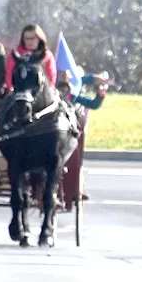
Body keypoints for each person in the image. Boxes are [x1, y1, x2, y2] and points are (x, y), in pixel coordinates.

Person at [57, 69, 111, 211]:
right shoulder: (49, 87)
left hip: (65, 132)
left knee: (74, 151)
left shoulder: (74, 95)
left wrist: (100, 92)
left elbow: (92, 103)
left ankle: (72, 190)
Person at [5, 24, 57, 92]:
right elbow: (9, 73)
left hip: (41, 94)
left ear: (39, 39)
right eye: (27, 38)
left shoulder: (46, 55)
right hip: (18, 93)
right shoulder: (16, 54)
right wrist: (10, 89)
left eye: (33, 38)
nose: (30, 41)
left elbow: (51, 77)